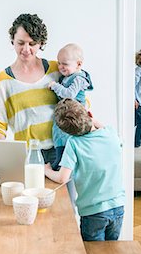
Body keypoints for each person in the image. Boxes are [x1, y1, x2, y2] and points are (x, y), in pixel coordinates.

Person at [44, 98, 125, 241]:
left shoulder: (74, 143)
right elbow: (110, 134)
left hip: (93, 213)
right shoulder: (110, 133)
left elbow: (63, 178)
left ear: (66, 131)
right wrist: (91, 119)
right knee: (110, 251)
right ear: (90, 114)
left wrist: (46, 170)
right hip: (118, 207)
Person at [0, 13, 60, 164]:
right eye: (21, 43)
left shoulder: (57, 69)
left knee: (65, 189)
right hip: (28, 156)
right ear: (13, 41)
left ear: (40, 43)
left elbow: (78, 101)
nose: (26, 49)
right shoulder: (3, 80)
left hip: (61, 152)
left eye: (32, 43)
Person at [47, 43, 93, 171]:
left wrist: (55, 86)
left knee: (65, 134)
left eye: (65, 64)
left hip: (73, 114)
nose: (60, 67)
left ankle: (62, 161)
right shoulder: (68, 76)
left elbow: (70, 94)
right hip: (66, 111)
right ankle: (60, 158)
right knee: (58, 133)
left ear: (79, 64)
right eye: (59, 63)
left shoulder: (78, 78)